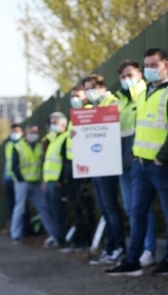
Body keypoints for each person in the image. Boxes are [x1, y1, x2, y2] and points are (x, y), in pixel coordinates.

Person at [106, 48, 168, 276]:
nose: (149, 68)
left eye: (153, 64)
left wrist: (163, 156)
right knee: (137, 213)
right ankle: (132, 261)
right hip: (140, 165)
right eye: (147, 64)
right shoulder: (145, 93)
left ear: (165, 65)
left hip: (161, 165)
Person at [116, 59, 158, 267]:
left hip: (144, 159)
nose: (126, 80)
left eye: (129, 75)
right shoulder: (119, 101)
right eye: (122, 77)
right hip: (123, 162)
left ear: (139, 74)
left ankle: (148, 249)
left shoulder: (146, 94)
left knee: (143, 208)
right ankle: (139, 249)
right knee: (132, 209)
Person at [82, 74, 126, 266]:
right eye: (86, 88)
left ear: (101, 86)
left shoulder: (111, 102)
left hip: (108, 163)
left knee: (110, 207)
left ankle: (118, 247)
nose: (89, 91)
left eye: (91, 87)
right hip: (97, 163)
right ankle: (110, 248)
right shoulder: (94, 107)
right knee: (105, 209)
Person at [59, 85, 97, 252]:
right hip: (72, 164)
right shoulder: (73, 115)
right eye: (72, 95)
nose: (75, 99)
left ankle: (86, 239)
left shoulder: (88, 111)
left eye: (78, 95)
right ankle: (79, 239)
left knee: (84, 204)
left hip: (83, 165)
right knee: (75, 205)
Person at [11, 125, 55, 243]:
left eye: (36, 132)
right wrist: (21, 179)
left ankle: (52, 234)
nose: (34, 134)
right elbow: (14, 166)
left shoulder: (39, 146)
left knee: (44, 207)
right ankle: (15, 234)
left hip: (36, 183)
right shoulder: (18, 147)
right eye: (32, 132)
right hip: (23, 183)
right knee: (20, 208)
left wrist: (42, 180)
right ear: (26, 133)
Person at [43, 112, 70, 248]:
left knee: (59, 212)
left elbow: (64, 161)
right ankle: (56, 236)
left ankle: (61, 239)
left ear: (63, 125)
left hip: (57, 182)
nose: (52, 125)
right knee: (52, 211)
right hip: (49, 181)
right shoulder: (53, 139)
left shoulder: (65, 138)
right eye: (51, 123)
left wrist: (61, 179)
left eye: (55, 123)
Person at [3, 123, 30, 236]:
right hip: (8, 178)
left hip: (18, 179)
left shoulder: (22, 145)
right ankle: (14, 228)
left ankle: (24, 229)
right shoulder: (8, 145)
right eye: (13, 131)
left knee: (21, 206)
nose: (14, 134)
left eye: (17, 131)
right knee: (11, 204)